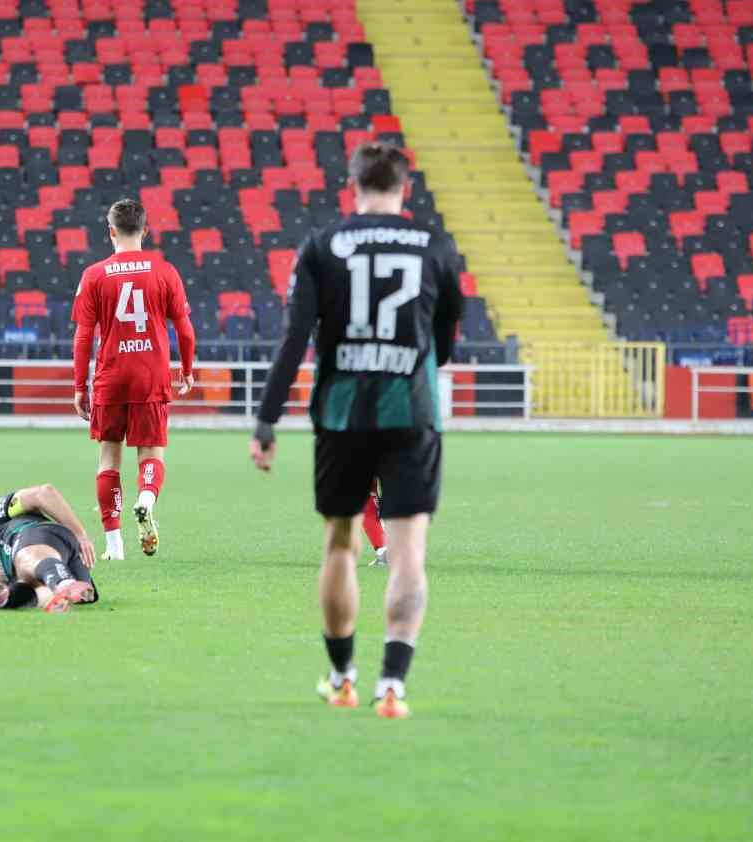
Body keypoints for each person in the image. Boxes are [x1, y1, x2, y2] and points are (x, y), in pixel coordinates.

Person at [248, 143, 463, 719]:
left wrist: (267, 418)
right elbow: (444, 343)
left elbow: (295, 338)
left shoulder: (323, 245)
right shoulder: (437, 247)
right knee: (409, 552)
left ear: (353, 186)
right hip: (409, 412)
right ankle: (391, 688)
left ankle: (342, 678)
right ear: (404, 188)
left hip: (342, 413)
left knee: (339, 544)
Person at [71, 198, 196, 561]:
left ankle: (115, 547)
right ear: (145, 230)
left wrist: (80, 386)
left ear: (110, 231)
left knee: (108, 460)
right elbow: (185, 331)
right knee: (151, 454)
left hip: (111, 376)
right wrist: (186, 370)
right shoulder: (165, 271)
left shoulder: (94, 274)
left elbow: (82, 337)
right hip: (151, 374)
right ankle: (145, 500)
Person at [0, 483, 100, 614]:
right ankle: (62, 585)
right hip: (72, 569)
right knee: (38, 592)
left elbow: (44, 493)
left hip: (40, 536)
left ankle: (63, 583)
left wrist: (81, 534)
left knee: (28, 562)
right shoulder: (16, 574)